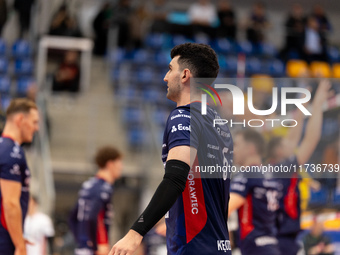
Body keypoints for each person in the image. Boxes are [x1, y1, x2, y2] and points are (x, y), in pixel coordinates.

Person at [109, 43, 233, 255]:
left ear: (185, 75)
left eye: (170, 69)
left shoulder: (183, 117)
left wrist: (135, 232)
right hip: (218, 245)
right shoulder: (219, 124)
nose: (165, 77)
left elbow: (176, 178)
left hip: (193, 247)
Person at [267, 80, 331, 255]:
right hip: (280, 238)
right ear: (278, 150)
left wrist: (301, 107)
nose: (291, 143)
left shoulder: (273, 168)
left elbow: (294, 136)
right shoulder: (282, 168)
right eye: (286, 143)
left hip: (276, 234)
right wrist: (317, 104)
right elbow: (311, 138)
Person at [228, 129, 281, 255]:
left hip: (255, 248)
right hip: (271, 245)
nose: (233, 150)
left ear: (250, 148)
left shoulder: (246, 175)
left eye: (236, 145)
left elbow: (224, 208)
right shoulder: (270, 176)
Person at [0, 98, 40, 255]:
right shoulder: (12, 152)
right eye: (34, 122)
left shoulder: (4, 148)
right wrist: (19, 245)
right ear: (20, 120)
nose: (36, 128)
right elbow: (10, 203)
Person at [69, 146, 123, 255]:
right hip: (93, 249)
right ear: (110, 164)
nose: (122, 167)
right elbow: (94, 217)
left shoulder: (88, 185)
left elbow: (72, 218)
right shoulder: (104, 188)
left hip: (82, 248)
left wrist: (81, 241)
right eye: (119, 163)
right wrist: (97, 245)